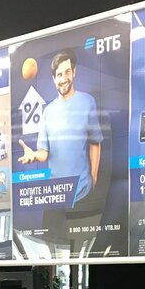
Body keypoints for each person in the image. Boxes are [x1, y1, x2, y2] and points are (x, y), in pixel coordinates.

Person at [18, 49, 103, 206]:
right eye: (59, 75)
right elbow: (44, 153)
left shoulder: (87, 101)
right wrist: (34, 155)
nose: (63, 79)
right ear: (53, 79)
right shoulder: (47, 112)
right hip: (56, 195)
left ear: (74, 72)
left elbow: (95, 143)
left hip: (83, 192)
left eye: (67, 72)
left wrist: (93, 178)